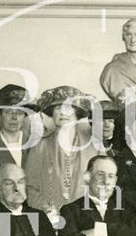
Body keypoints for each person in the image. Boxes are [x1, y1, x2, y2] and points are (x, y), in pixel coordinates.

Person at [24, 86, 98, 219]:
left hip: (86, 218)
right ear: (52, 113)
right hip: (50, 218)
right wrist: (46, 208)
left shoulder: (94, 146)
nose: (63, 112)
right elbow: (29, 186)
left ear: (77, 113)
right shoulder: (40, 145)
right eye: (58, 108)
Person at [0, 84, 34, 167]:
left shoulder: (35, 144)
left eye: (19, 112)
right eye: (8, 111)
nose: (14, 117)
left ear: (25, 116)